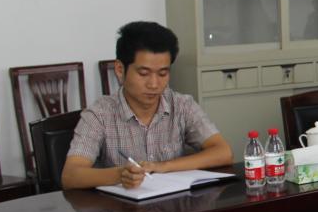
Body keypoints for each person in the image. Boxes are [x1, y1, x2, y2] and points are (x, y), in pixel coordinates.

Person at [61, 22, 232, 190]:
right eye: (143, 73)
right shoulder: (99, 114)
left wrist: (163, 166)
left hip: (173, 204)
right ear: (120, 69)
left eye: (163, 73)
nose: (154, 84)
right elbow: (70, 175)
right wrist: (120, 175)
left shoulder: (181, 105)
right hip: (122, 207)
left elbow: (223, 152)